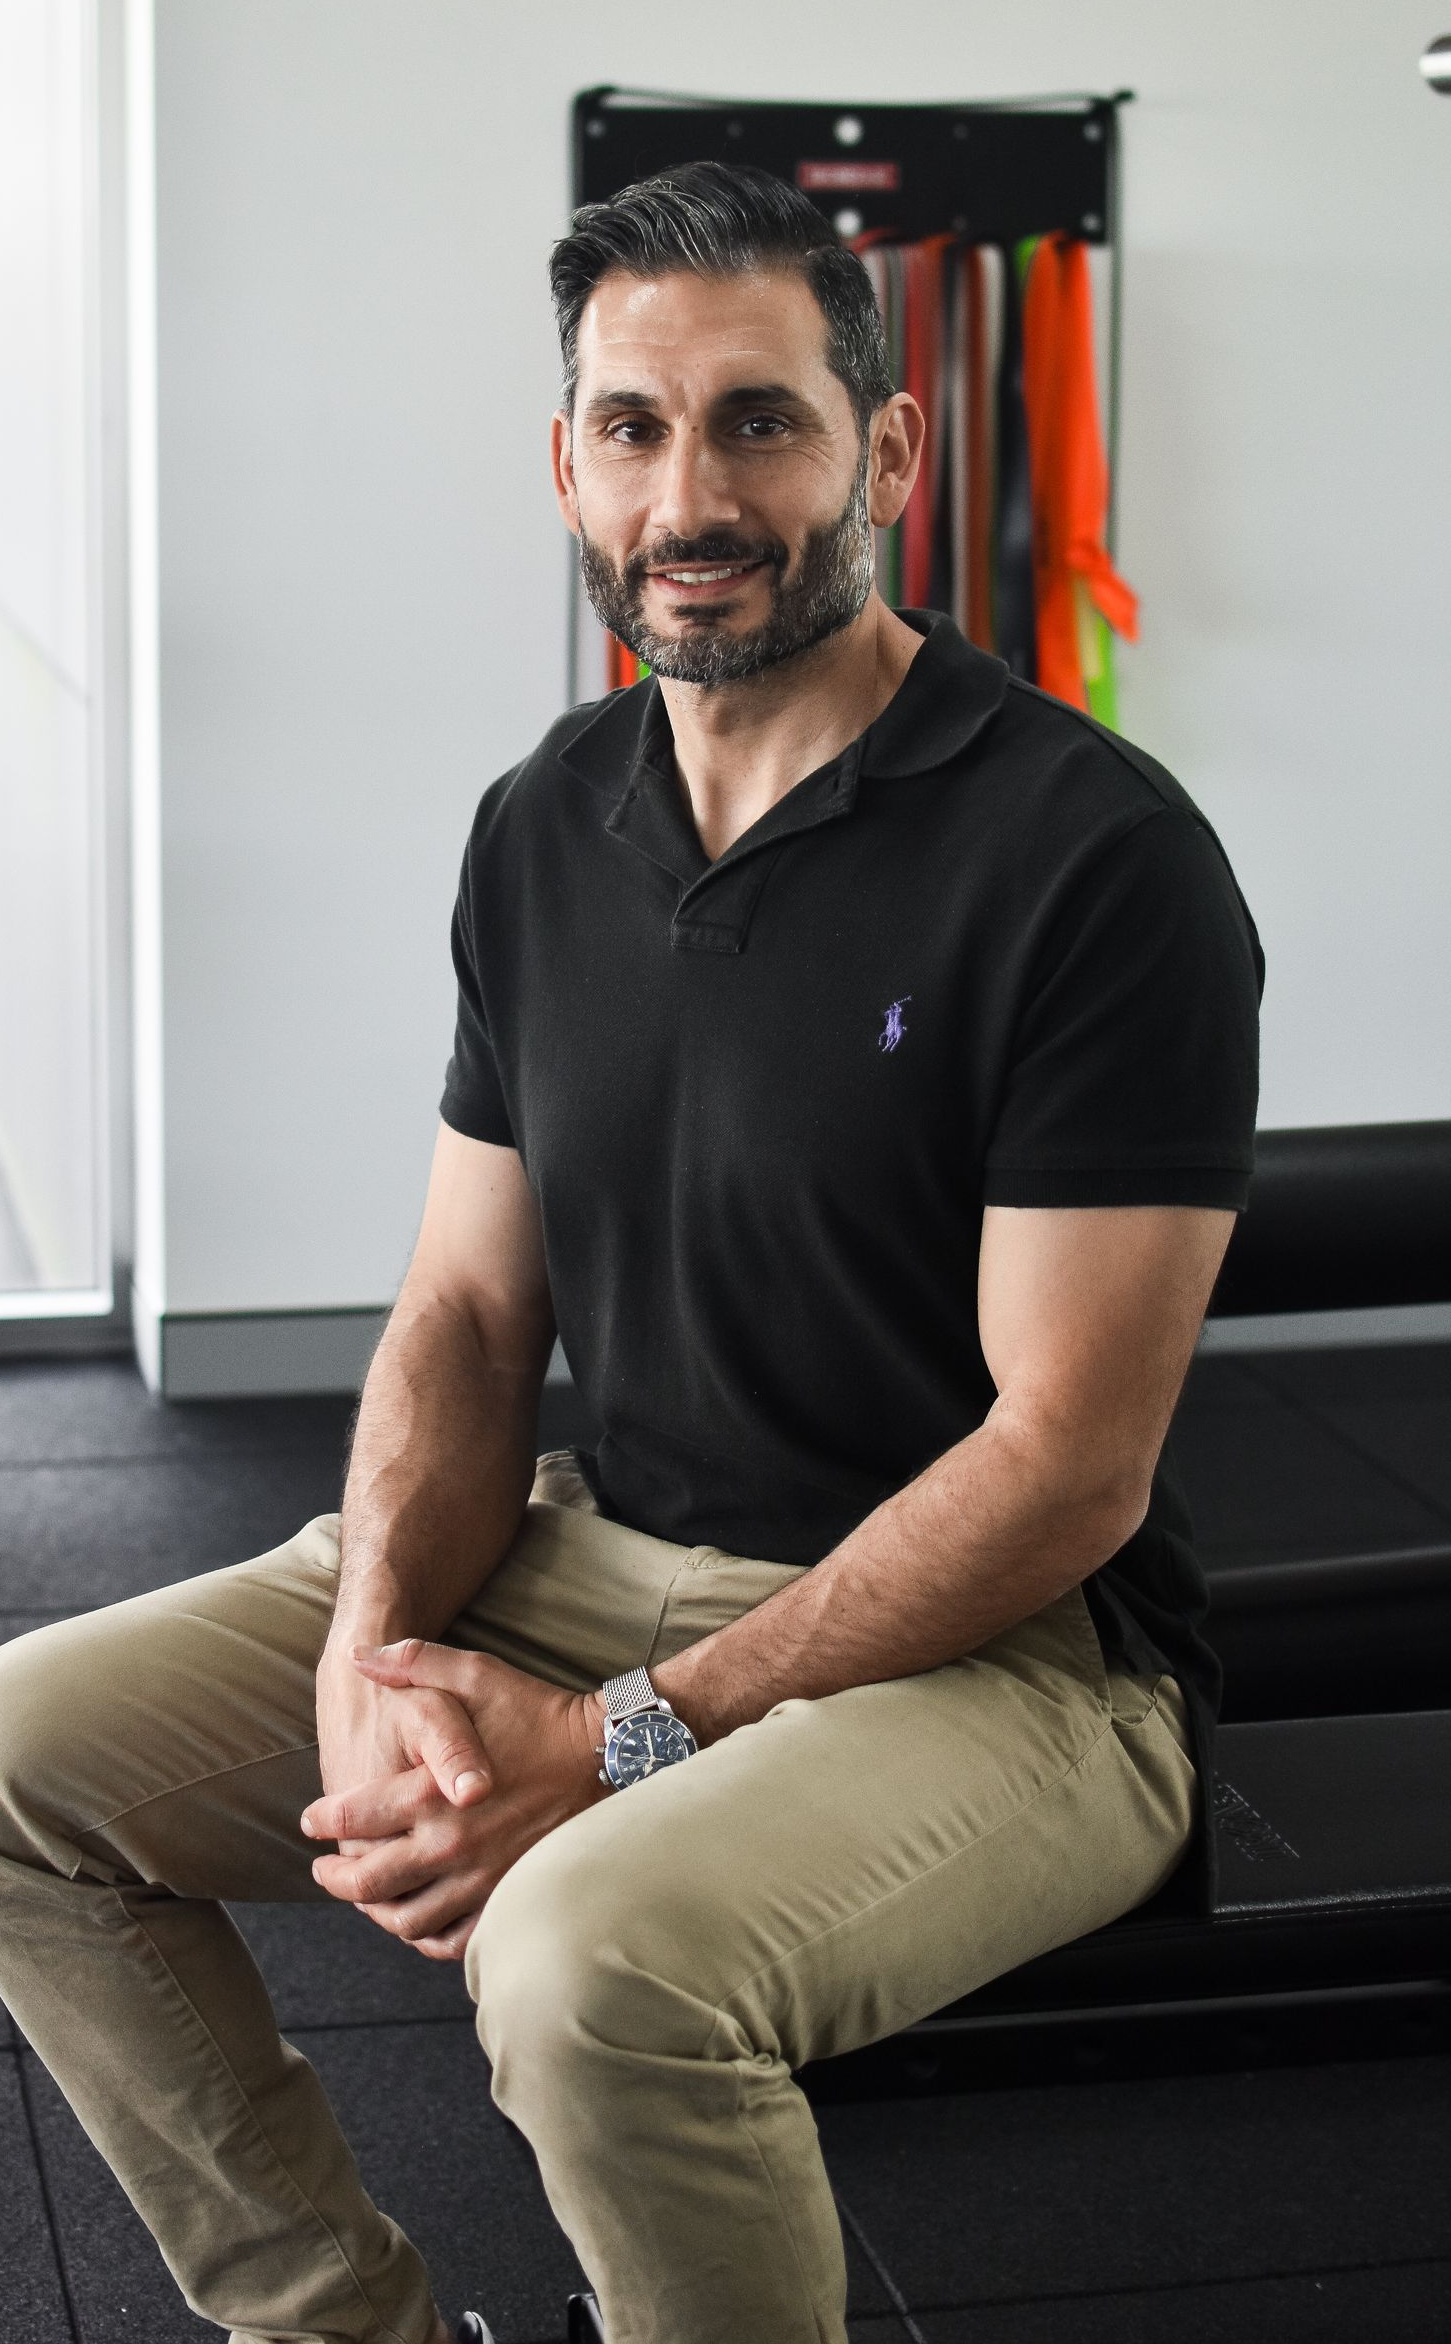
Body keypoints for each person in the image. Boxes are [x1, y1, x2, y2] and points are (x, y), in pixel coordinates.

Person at [0, 161, 1264, 2344]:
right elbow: (469, 1309)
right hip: (605, 1551)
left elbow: (1066, 1465)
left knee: (583, 1966)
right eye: (633, 427)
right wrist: (368, 1650)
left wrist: (611, 1741)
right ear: (567, 464)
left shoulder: (1090, 856)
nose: (691, 497)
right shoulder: (542, 820)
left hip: (1009, 1658)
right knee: (19, 1760)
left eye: (759, 422)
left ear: (886, 450)